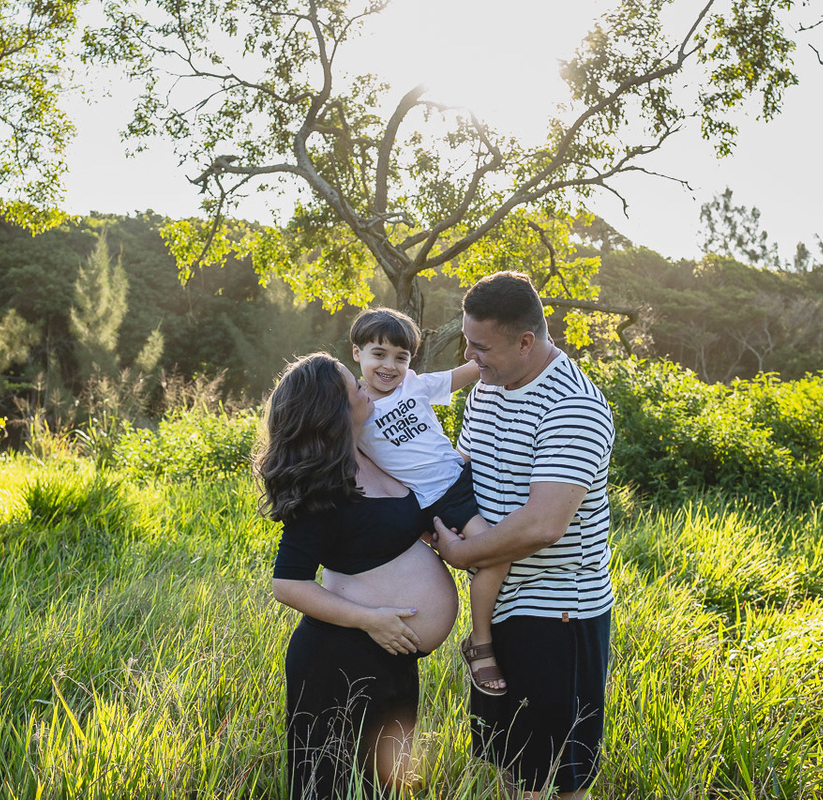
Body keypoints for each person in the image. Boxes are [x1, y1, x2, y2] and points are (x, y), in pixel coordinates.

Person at [429, 272, 615, 799]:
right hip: (500, 606)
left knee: (554, 776)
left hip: (558, 614)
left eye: (481, 346)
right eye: (468, 341)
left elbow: (543, 524)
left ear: (526, 341)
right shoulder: (488, 388)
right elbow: (462, 468)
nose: (471, 357)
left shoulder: (573, 406)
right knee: (513, 763)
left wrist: (461, 551)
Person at [256, 353, 459, 799]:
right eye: (355, 388)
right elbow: (287, 584)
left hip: (395, 658)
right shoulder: (321, 485)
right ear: (335, 410)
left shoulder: (375, 453)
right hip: (340, 659)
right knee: (331, 788)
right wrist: (370, 619)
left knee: (384, 786)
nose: (366, 389)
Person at [350, 307, 510, 696]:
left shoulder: (415, 385)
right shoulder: (354, 409)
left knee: (500, 550)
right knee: (496, 555)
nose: (390, 366)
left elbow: (469, 370)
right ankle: (481, 642)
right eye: (379, 354)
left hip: (462, 476)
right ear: (357, 353)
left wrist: (515, 342)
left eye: (401, 357)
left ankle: (483, 636)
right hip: (435, 500)